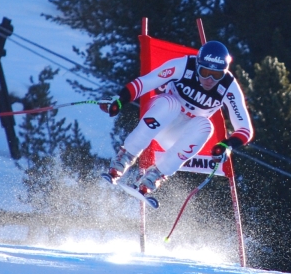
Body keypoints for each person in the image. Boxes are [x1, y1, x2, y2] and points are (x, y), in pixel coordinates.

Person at [100, 40, 254, 196]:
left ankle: (155, 176)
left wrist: (227, 145)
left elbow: (245, 129)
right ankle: (124, 158)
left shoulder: (229, 86)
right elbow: (146, 82)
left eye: (217, 75)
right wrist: (120, 99)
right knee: (171, 104)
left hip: (180, 135)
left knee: (206, 126)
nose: (210, 80)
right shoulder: (184, 65)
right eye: (205, 73)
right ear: (198, 66)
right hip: (161, 117)